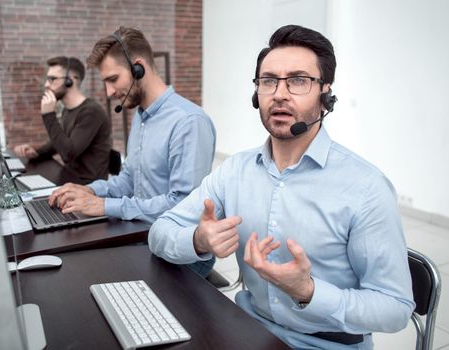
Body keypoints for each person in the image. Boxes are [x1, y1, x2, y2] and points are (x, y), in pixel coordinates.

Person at [148, 25, 415, 349]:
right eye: (269, 80)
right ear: (256, 93)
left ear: (325, 93)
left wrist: (309, 291)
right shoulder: (235, 170)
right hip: (247, 330)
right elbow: (160, 232)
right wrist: (198, 239)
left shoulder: (366, 188)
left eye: (299, 80)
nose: (279, 93)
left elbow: (395, 308)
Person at [48, 27, 216, 276]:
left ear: (138, 68)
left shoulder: (188, 122)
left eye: (113, 79)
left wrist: (105, 206)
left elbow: (182, 205)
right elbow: (129, 178)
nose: (108, 93)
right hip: (141, 234)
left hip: (179, 254)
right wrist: (90, 191)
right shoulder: (142, 116)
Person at [14, 56, 111, 181]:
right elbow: (59, 143)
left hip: (89, 187)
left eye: (52, 79)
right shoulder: (67, 110)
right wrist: (36, 152)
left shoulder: (91, 112)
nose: (46, 84)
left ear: (70, 80)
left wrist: (49, 115)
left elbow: (68, 154)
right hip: (70, 179)